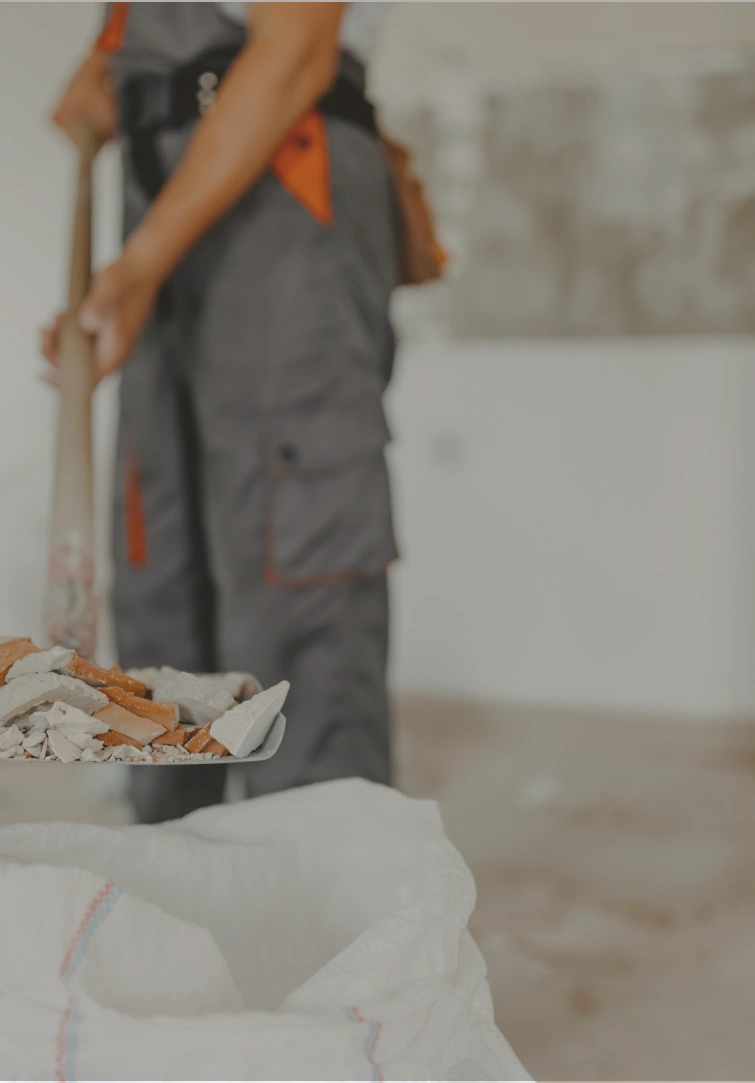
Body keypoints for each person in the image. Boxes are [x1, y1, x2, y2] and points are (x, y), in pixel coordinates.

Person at [43, 1, 401, 822]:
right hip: (160, 186)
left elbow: (296, 46)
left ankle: (321, 912)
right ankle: (184, 896)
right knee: (161, 574)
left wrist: (134, 272)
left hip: (280, 169)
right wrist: (115, 67)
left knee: (291, 581)